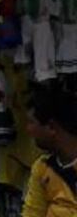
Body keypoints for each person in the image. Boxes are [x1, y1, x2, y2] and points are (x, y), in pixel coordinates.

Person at [23, 84, 77, 217]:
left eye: (31, 122)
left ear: (51, 127)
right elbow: (32, 213)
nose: (27, 130)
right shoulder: (42, 167)